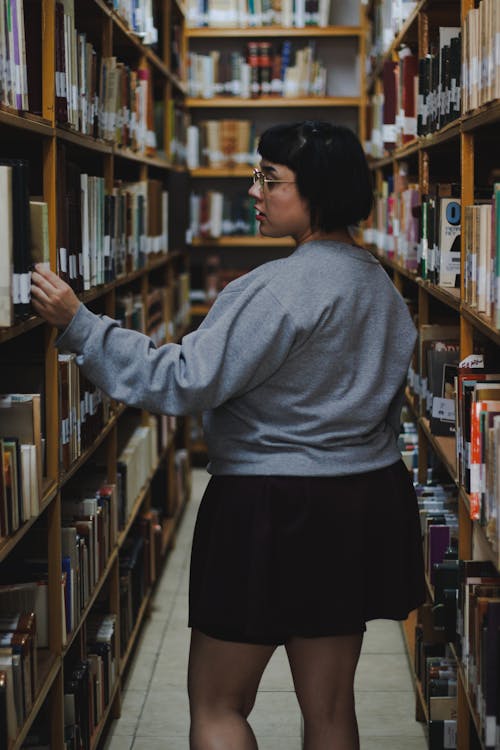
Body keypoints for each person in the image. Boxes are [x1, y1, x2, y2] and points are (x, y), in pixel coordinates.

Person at [31, 120, 426, 750]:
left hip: (269, 508)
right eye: (256, 175)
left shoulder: (273, 289)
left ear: (317, 191)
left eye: (270, 179)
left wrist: (81, 325)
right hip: (359, 503)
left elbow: (184, 380)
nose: (255, 191)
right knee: (329, 711)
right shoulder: (380, 285)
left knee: (217, 705)